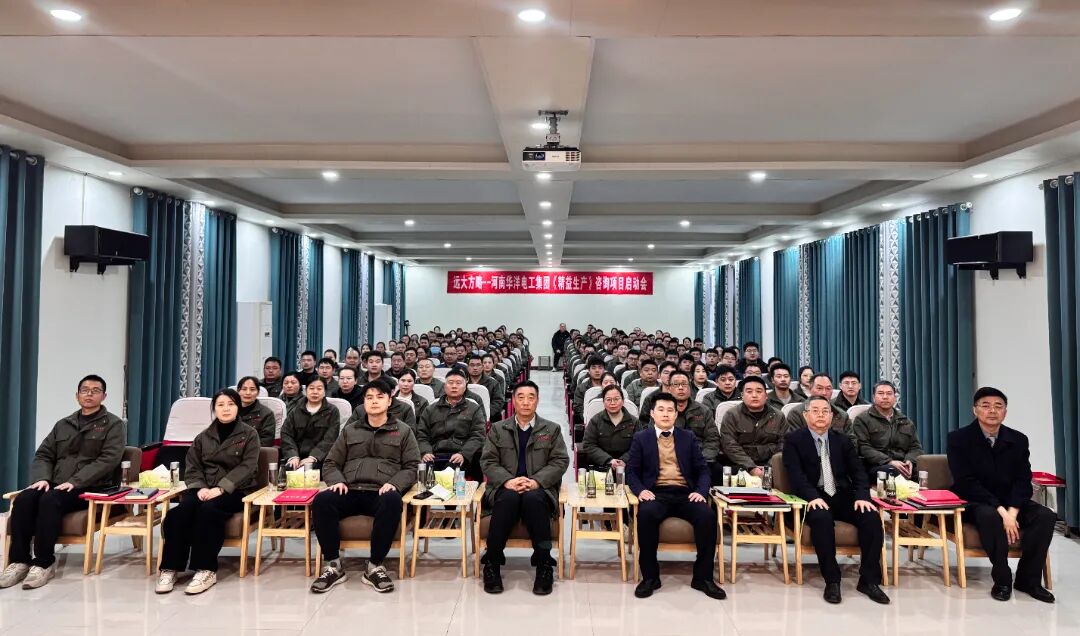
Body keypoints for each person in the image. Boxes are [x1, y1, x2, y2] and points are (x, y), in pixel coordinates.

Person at [0, 375, 124, 590]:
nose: (89, 394)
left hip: (90, 487)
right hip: (56, 483)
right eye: (85, 390)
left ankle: (44, 563)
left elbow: (108, 459)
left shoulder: (113, 425)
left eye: (95, 390)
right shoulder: (64, 424)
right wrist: (42, 478)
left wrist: (76, 481)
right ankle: (19, 561)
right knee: (24, 499)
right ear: (77, 395)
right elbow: (44, 454)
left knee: (50, 500)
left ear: (104, 396)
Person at [947, 387, 1056, 603]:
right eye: (986, 406)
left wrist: (1012, 512)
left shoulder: (1018, 439)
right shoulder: (958, 438)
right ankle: (1002, 579)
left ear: (1005, 411)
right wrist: (1002, 512)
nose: (992, 411)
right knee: (990, 515)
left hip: (1011, 501)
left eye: (998, 406)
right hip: (975, 500)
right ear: (975, 410)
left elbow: (1023, 479)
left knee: (1046, 515)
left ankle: (1028, 580)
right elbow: (965, 481)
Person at [310, 380, 420, 594]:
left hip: (380, 493)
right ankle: (333, 565)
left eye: (380, 397)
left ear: (389, 401)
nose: (374, 401)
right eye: (369, 397)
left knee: (392, 500)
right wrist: (337, 481)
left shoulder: (403, 431)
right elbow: (331, 462)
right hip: (350, 490)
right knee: (322, 500)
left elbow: (413, 466)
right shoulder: (350, 430)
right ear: (363, 402)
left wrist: (394, 484)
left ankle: (375, 566)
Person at [782, 396, 888, 605]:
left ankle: (869, 580)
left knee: (871, 517)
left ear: (832, 416)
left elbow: (858, 472)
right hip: (811, 495)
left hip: (840, 494)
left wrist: (862, 496)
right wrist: (812, 497)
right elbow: (795, 475)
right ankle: (832, 580)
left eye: (825, 411)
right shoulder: (793, 440)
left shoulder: (843, 440)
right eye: (815, 411)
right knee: (821, 518)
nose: (821, 415)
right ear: (805, 415)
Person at [156, 389, 260, 595]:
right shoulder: (203, 437)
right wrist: (201, 487)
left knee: (209, 511)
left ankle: (206, 569)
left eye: (230, 404)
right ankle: (170, 568)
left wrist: (222, 488)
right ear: (214, 409)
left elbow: (248, 466)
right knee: (179, 513)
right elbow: (193, 466)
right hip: (204, 488)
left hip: (236, 489)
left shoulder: (249, 434)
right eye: (220, 405)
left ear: (238, 407)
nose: (225, 409)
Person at [626, 392, 725, 600]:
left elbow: (703, 469)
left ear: (676, 413)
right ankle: (650, 577)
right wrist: (641, 490)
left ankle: (703, 578)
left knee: (707, 516)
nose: (665, 414)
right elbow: (631, 471)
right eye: (661, 410)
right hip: (656, 493)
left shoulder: (688, 437)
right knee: (646, 515)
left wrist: (700, 491)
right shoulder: (641, 438)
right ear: (652, 413)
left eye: (670, 410)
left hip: (685, 494)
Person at [480, 381, 568, 595]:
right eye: (521, 397)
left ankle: (544, 563)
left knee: (533, 498)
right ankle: (492, 562)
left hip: (539, 488)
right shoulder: (498, 429)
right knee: (509, 498)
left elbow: (560, 461)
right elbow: (488, 461)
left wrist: (536, 481)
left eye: (531, 397)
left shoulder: (551, 429)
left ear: (537, 401)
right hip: (505, 487)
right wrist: (508, 481)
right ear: (513, 401)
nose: (526, 402)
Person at [417, 368, 487, 481]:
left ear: (465, 386)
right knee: (426, 475)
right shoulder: (430, 409)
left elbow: (478, 436)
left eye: (458, 383)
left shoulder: (474, 408)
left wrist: (463, 454)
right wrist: (426, 452)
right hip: (435, 454)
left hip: (462, 454)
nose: (454, 386)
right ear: (444, 386)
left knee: (449, 474)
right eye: (450, 383)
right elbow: (422, 435)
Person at [851, 381, 922, 479]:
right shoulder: (862, 419)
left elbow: (915, 447)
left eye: (889, 394)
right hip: (876, 465)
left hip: (902, 463)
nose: (885, 397)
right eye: (880, 393)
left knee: (927, 470)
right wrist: (889, 461)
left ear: (895, 398)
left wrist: (909, 461)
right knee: (891, 471)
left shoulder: (905, 420)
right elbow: (863, 447)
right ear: (873, 397)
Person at [719, 376, 789, 475]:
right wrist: (751, 467)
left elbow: (784, 444)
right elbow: (729, 445)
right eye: (749, 391)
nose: (754, 395)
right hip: (740, 465)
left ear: (766, 396)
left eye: (759, 391)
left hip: (772, 465)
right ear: (742, 396)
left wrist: (768, 468)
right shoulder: (731, 415)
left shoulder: (778, 416)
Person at [280, 377, 340, 471]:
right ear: (305, 391)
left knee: (309, 471)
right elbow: (286, 434)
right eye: (311, 388)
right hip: (296, 456)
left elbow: (330, 438)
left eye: (319, 389)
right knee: (289, 469)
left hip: (320, 458)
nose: (315, 392)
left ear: (325, 392)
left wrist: (313, 457)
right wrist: (293, 456)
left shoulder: (332, 411)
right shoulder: (296, 410)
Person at [581, 385, 641, 470]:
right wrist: (608, 460)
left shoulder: (634, 422)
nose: (613, 403)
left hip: (628, 466)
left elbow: (638, 445)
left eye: (616, 399)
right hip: (601, 466)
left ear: (623, 401)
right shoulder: (595, 421)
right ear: (603, 402)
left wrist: (624, 460)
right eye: (608, 400)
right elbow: (588, 445)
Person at [785, 374, 852, 440]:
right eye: (819, 388)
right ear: (810, 389)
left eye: (828, 388)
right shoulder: (796, 413)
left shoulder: (842, 415)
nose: (824, 393)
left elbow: (851, 441)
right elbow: (794, 441)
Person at [236, 376, 276, 446]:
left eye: (252, 389)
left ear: (258, 392)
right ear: (238, 391)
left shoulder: (267, 414)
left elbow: (267, 441)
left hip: (254, 450)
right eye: (244, 389)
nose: (248, 393)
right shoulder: (230, 410)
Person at [466, 354, 505, 420]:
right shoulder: (462, 382)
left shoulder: (493, 383)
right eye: (472, 365)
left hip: (488, 417)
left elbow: (498, 402)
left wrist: (485, 414)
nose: (475, 368)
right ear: (468, 367)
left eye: (478, 365)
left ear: (482, 367)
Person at [572, 356, 607, 426]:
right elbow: (579, 408)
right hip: (590, 422)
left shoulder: (610, 386)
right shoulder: (581, 388)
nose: (597, 370)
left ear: (604, 370)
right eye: (593, 368)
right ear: (588, 370)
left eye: (600, 368)